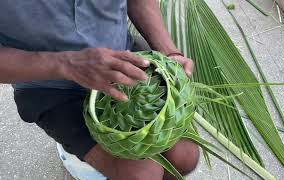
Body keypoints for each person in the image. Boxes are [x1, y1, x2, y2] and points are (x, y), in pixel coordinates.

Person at [0, 1, 199, 180]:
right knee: (141, 175)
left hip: (126, 60)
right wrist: (66, 64)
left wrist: (170, 52)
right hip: (49, 84)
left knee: (185, 157)